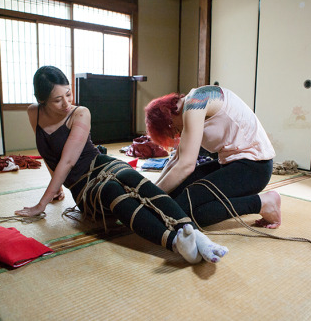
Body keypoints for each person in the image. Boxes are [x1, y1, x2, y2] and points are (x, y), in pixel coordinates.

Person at [14, 66, 228, 264]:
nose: (66, 103)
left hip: (100, 163)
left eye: (68, 93)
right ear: (42, 101)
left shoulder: (80, 112)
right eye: (57, 100)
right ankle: (175, 242)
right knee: (113, 191)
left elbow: (69, 159)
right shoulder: (34, 113)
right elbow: (50, 154)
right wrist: (55, 189)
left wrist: (42, 203)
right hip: (82, 185)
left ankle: (193, 234)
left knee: (132, 177)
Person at [145, 85, 281, 229]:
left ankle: (263, 203)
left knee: (185, 214)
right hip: (230, 164)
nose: (177, 134)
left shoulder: (195, 103)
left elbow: (186, 165)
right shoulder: (189, 105)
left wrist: (150, 199)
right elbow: (176, 160)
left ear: (168, 119)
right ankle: (237, 200)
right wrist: (150, 190)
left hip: (254, 169)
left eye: (174, 132)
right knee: (174, 195)